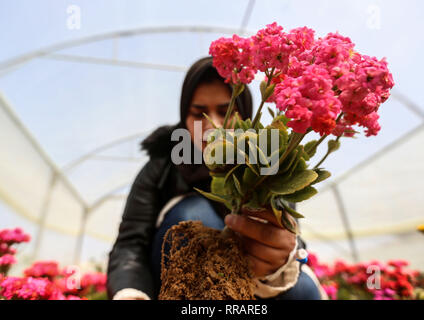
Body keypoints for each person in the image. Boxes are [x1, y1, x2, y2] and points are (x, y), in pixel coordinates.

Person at [107, 56, 324, 300]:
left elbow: (293, 238)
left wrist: (278, 259)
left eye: (225, 111)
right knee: (193, 217)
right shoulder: (162, 166)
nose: (213, 126)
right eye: (199, 114)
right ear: (184, 116)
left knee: (303, 288)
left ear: (247, 117)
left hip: (255, 291)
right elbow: (130, 244)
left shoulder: (267, 164)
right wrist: (131, 293)